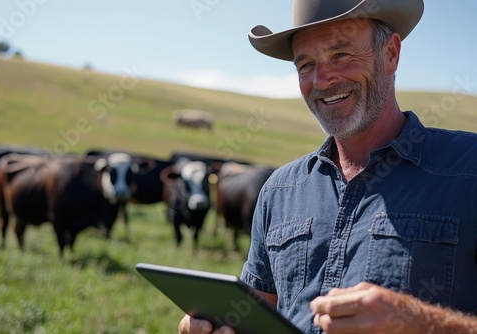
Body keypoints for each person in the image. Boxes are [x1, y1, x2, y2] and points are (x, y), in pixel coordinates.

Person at [179, 0, 477, 333]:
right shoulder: (279, 191)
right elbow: (257, 310)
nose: (321, 80)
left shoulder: (469, 170)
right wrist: (218, 324)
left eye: (341, 55)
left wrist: (422, 323)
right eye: (305, 65)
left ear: (391, 54)